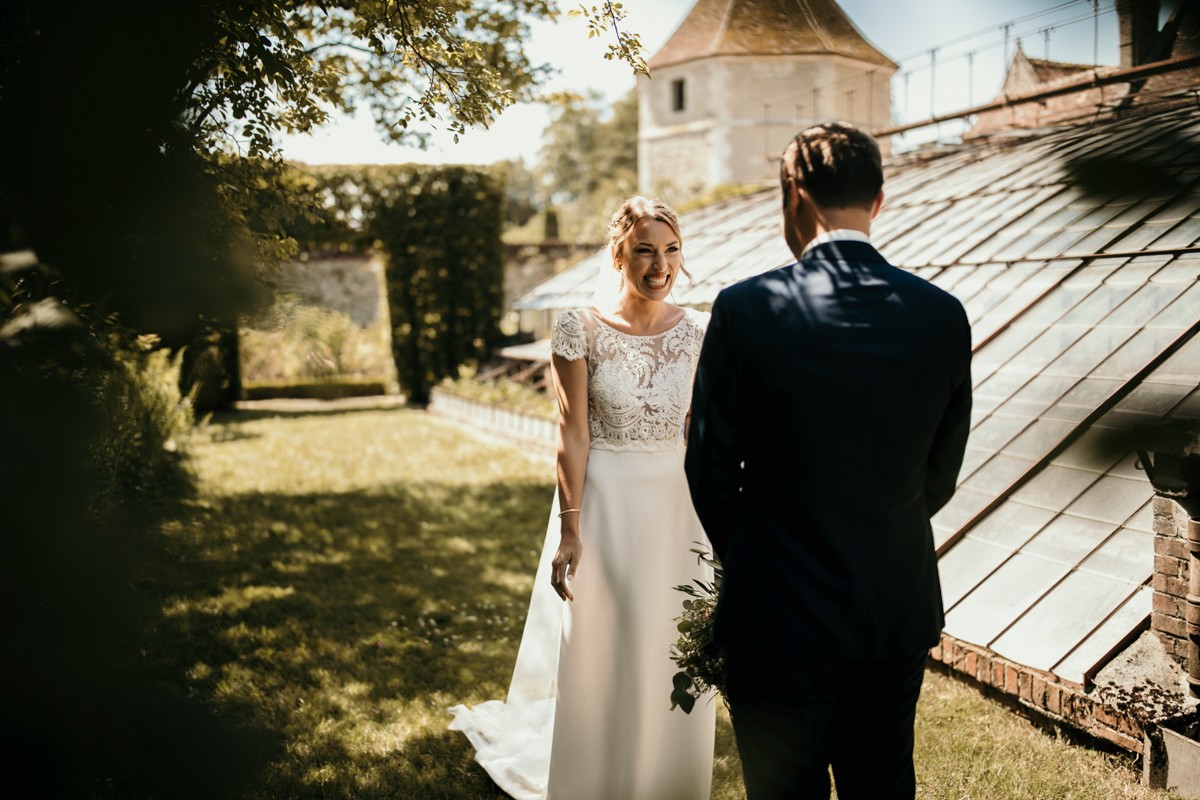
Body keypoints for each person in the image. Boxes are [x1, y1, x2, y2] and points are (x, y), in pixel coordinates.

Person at [684, 122, 973, 800]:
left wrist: (762, 551)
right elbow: (940, 473)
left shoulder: (746, 307)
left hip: (776, 608)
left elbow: (709, 470)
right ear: (878, 198)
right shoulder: (942, 314)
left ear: (795, 196)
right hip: (890, 604)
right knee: (881, 782)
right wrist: (874, 527)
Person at [449, 196, 716, 800]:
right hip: (606, 505)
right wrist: (571, 528)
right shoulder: (579, 327)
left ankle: (669, 782)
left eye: (671, 250)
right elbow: (572, 434)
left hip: (679, 508)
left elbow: (701, 429)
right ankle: (596, 779)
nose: (660, 265)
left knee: (673, 640)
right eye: (645, 250)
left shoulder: (700, 328)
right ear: (618, 252)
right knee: (610, 640)